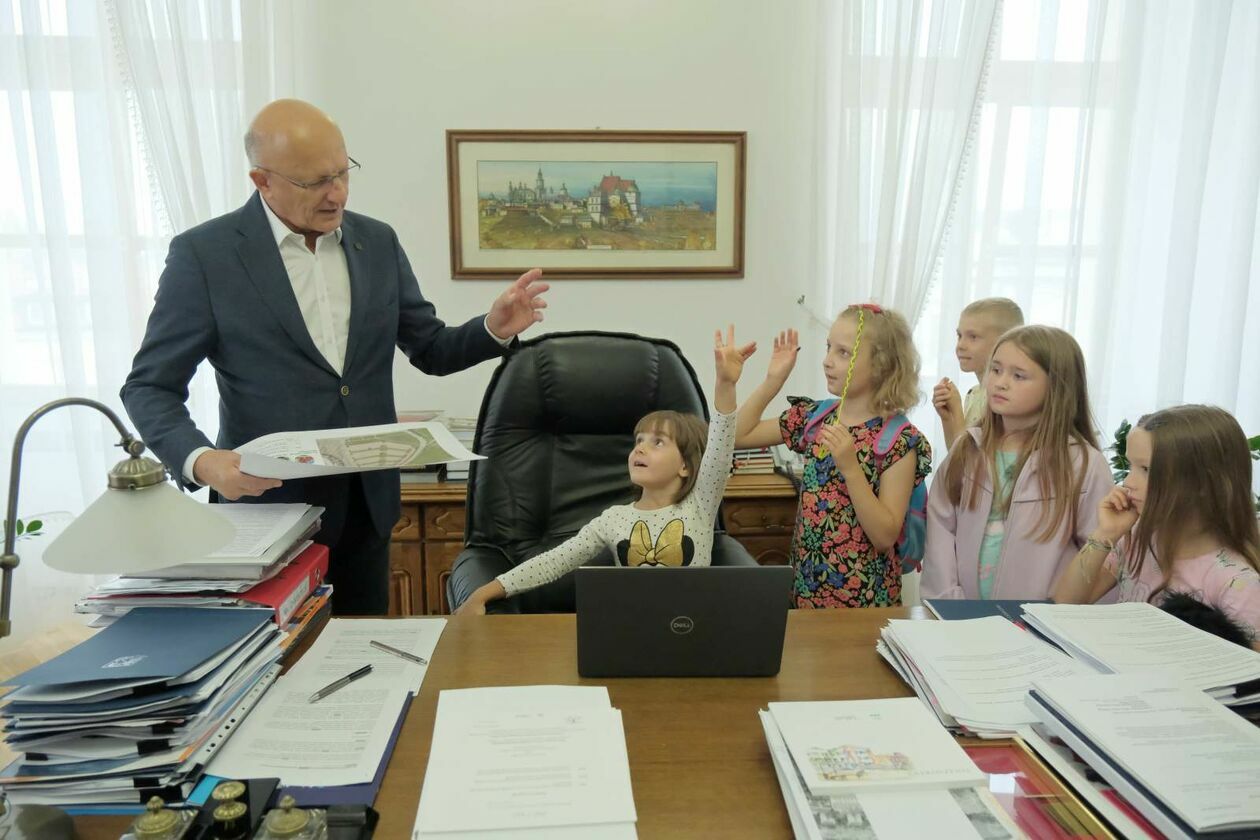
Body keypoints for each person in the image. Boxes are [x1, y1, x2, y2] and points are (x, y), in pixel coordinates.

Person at [120, 99, 548, 616]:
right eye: (316, 182)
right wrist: (202, 460)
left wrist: (492, 329)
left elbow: (430, 348)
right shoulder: (204, 256)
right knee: (273, 673)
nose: (337, 193)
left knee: (361, 666)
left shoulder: (377, 242)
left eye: (343, 173)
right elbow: (149, 386)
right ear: (263, 180)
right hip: (266, 514)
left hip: (368, 511)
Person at [455, 326, 757, 615]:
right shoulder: (614, 519)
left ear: (685, 467)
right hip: (629, 632)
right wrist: (484, 592)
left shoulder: (700, 505)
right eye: (638, 441)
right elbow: (553, 562)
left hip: (692, 630)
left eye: (658, 442)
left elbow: (720, 444)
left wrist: (726, 384)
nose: (639, 449)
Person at [735, 305, 932, 608]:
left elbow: (884, 536)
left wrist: (851, 469)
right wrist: (773, 381)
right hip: (805, 595)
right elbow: (739, 435)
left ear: (881, 364)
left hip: (866, 605)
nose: (827, 361)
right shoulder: (815, 418)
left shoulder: (899, 441)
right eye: (829, 348)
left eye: (843, 353)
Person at [922, 325, 1113, 601]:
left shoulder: (1084, 464)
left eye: (1019, 375)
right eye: (996, 370)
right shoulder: (967, 448)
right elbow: (940, 530)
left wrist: (1061, 620)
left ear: (1057, 387)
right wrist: (948, 603)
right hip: (962, 624)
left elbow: (1098, 557)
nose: (1000, 382)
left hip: (1042, 630)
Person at [1052, 405, 1260, 646]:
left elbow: (1250, 676)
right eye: (1130, 466)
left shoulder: (1237, 582)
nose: (1128, 482)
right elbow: (1065, 603)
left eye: (1146, 470)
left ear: (1204, 483)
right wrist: (1106, 533)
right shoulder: (1138, 537)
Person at [932, 297, 1024, 447]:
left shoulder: (1003, 398)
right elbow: (956, 458)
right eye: (959, 336)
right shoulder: (974, 395)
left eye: (973, 337)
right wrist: (948, 418)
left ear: (1004, 341)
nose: (960, 345)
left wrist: (956, 412)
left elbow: (977, 463)